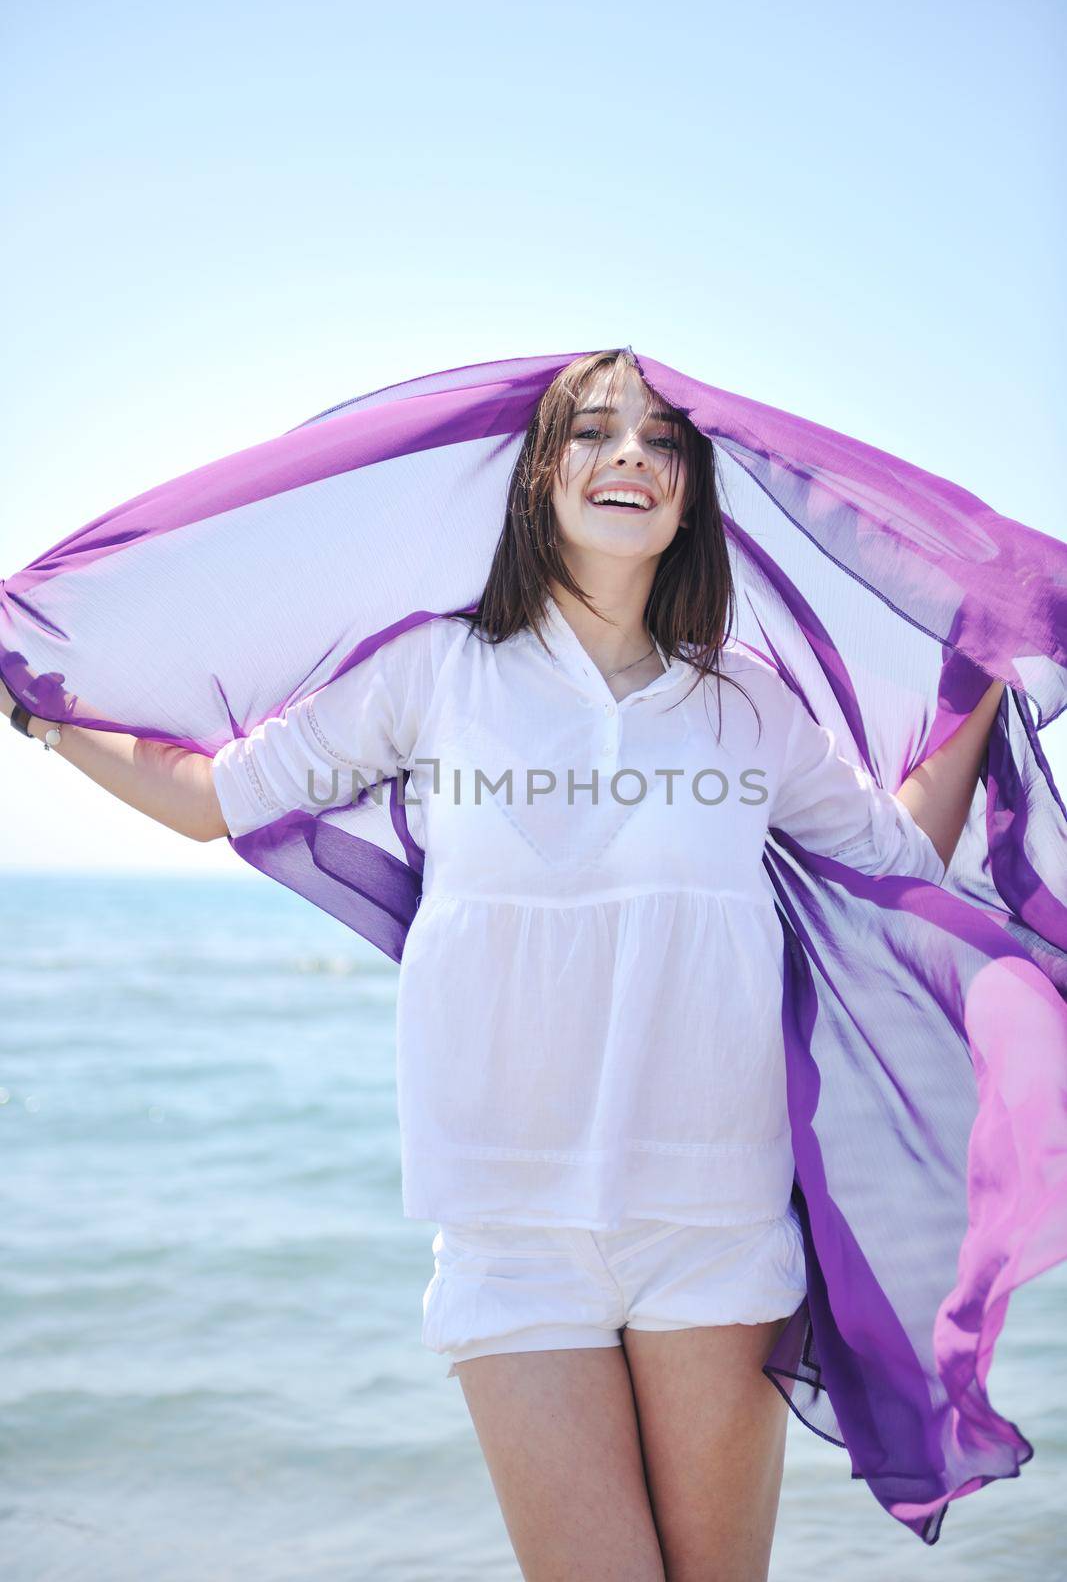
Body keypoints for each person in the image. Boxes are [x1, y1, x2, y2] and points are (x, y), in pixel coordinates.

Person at [2, 350, 1007, 1581]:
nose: (629, 453)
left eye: (661, 440)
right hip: (506, 1227)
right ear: (539, 476)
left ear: (690, 494)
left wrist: (979, 676)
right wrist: (49, 718)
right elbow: (219, 797)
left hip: (715, 1219)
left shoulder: (747, 706)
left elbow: (898, 856)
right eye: (592, 430)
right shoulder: (437, 672)